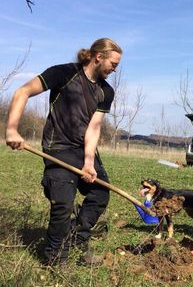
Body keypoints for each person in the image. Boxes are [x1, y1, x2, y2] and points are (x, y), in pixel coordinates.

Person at [5, 38, 122, 266]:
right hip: (58, 147)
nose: (115, 70)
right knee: (63, 204)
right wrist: (11, 129)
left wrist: (89, 162)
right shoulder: (64, 73)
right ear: (98, 57)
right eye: (114, 64)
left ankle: (78, 240)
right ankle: (56, 257)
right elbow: (23, 91)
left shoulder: (106, 91)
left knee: (99, 194)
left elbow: (94, 127)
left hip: (82, 150)